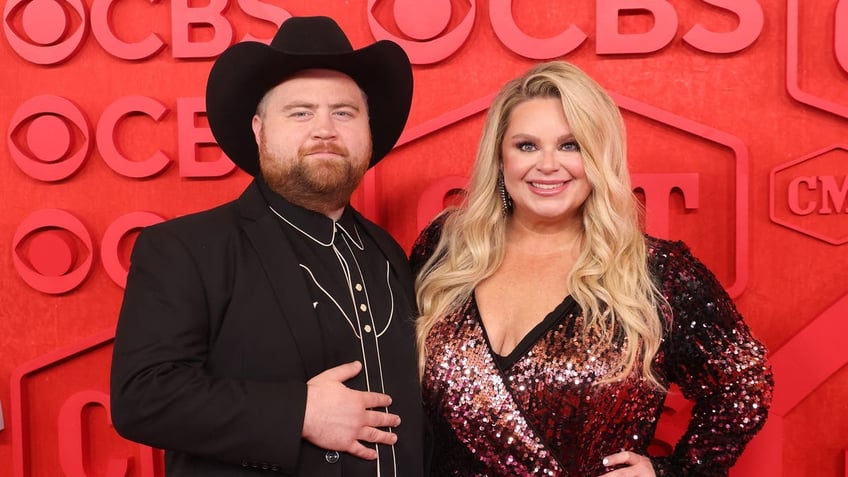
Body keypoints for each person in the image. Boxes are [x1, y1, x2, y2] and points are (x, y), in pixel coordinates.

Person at [411, 61, 773, 477]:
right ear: (499, 157)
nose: (548, 164)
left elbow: (743, 383)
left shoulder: (657, 272)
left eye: (571, 145)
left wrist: (672, 472)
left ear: (599, 156)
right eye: (526, 145)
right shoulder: (445, 251)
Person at [110, 16, 426, 476]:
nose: (324, 130)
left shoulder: (389, 254)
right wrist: (299, 412)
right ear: (259, 129)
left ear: (368, 132)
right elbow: (142, 397)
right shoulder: (184, 248)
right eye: (300, 112)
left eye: (344, 112)